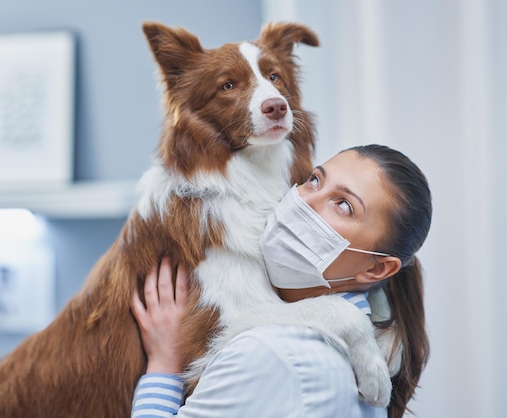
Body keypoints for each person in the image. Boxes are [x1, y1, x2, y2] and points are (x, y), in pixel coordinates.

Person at [130, 144, 432, 418]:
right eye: (315, 179)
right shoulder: (375, 348)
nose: (306, 200)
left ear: (377, 270)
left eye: (343, 205)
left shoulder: (272, 355)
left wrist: (163, 366)